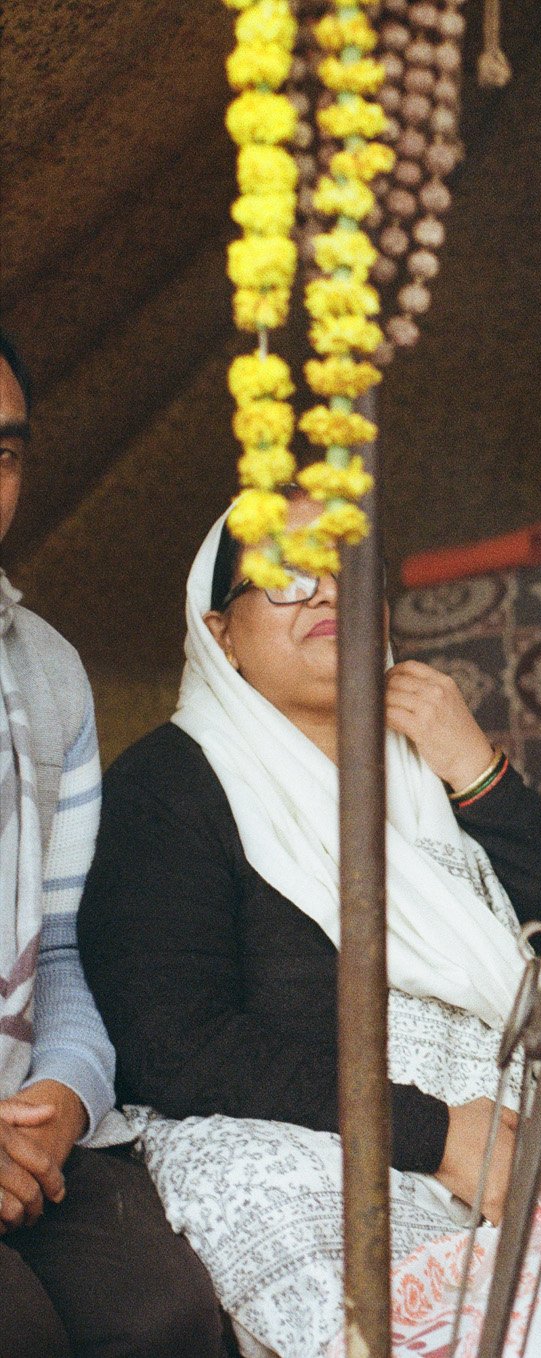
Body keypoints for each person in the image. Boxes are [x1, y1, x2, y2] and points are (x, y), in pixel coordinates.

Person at [78, 499, 541, 1358]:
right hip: (304, 1135)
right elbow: (173, 1042)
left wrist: (477, 769)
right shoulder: (167, 786)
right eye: (286, 576)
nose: (326, 595)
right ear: (219, 631)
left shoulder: (424, 760)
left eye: (350, 571)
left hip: (508, 1126)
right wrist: (433, 1133)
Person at [0, 331, 230, 1356]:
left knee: (167, 1316)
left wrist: (61, 1095)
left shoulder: (44, 670)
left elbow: (60, 953)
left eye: (3, 452)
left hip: (19, 1128)